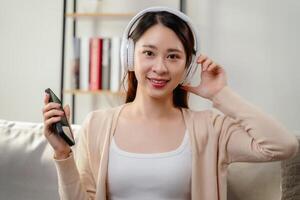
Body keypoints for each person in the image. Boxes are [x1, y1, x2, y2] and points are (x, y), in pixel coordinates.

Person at [42, 6, 299, 200]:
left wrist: (220, 94)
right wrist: (62, 154)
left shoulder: (209, 128)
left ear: (187, 66)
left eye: (173, 56)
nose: (160, 68)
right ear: (130, 57)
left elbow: (283, 146)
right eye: (149, 53)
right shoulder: (97, 124)